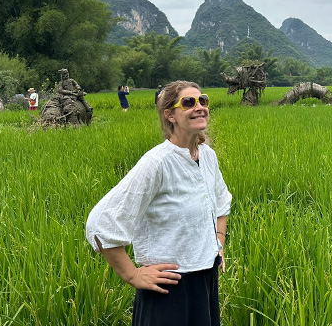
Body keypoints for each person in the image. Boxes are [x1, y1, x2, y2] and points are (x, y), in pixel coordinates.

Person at [86, 81, 231, 325]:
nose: (199, 107)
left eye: (203, 101)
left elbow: (221, 201)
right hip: (169, 289)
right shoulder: (158, 162)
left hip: (205, 280)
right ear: (170, 115)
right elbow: (101, 223)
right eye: (189, 103)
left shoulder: (207, 155)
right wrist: (133, 275)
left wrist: (217, 243)